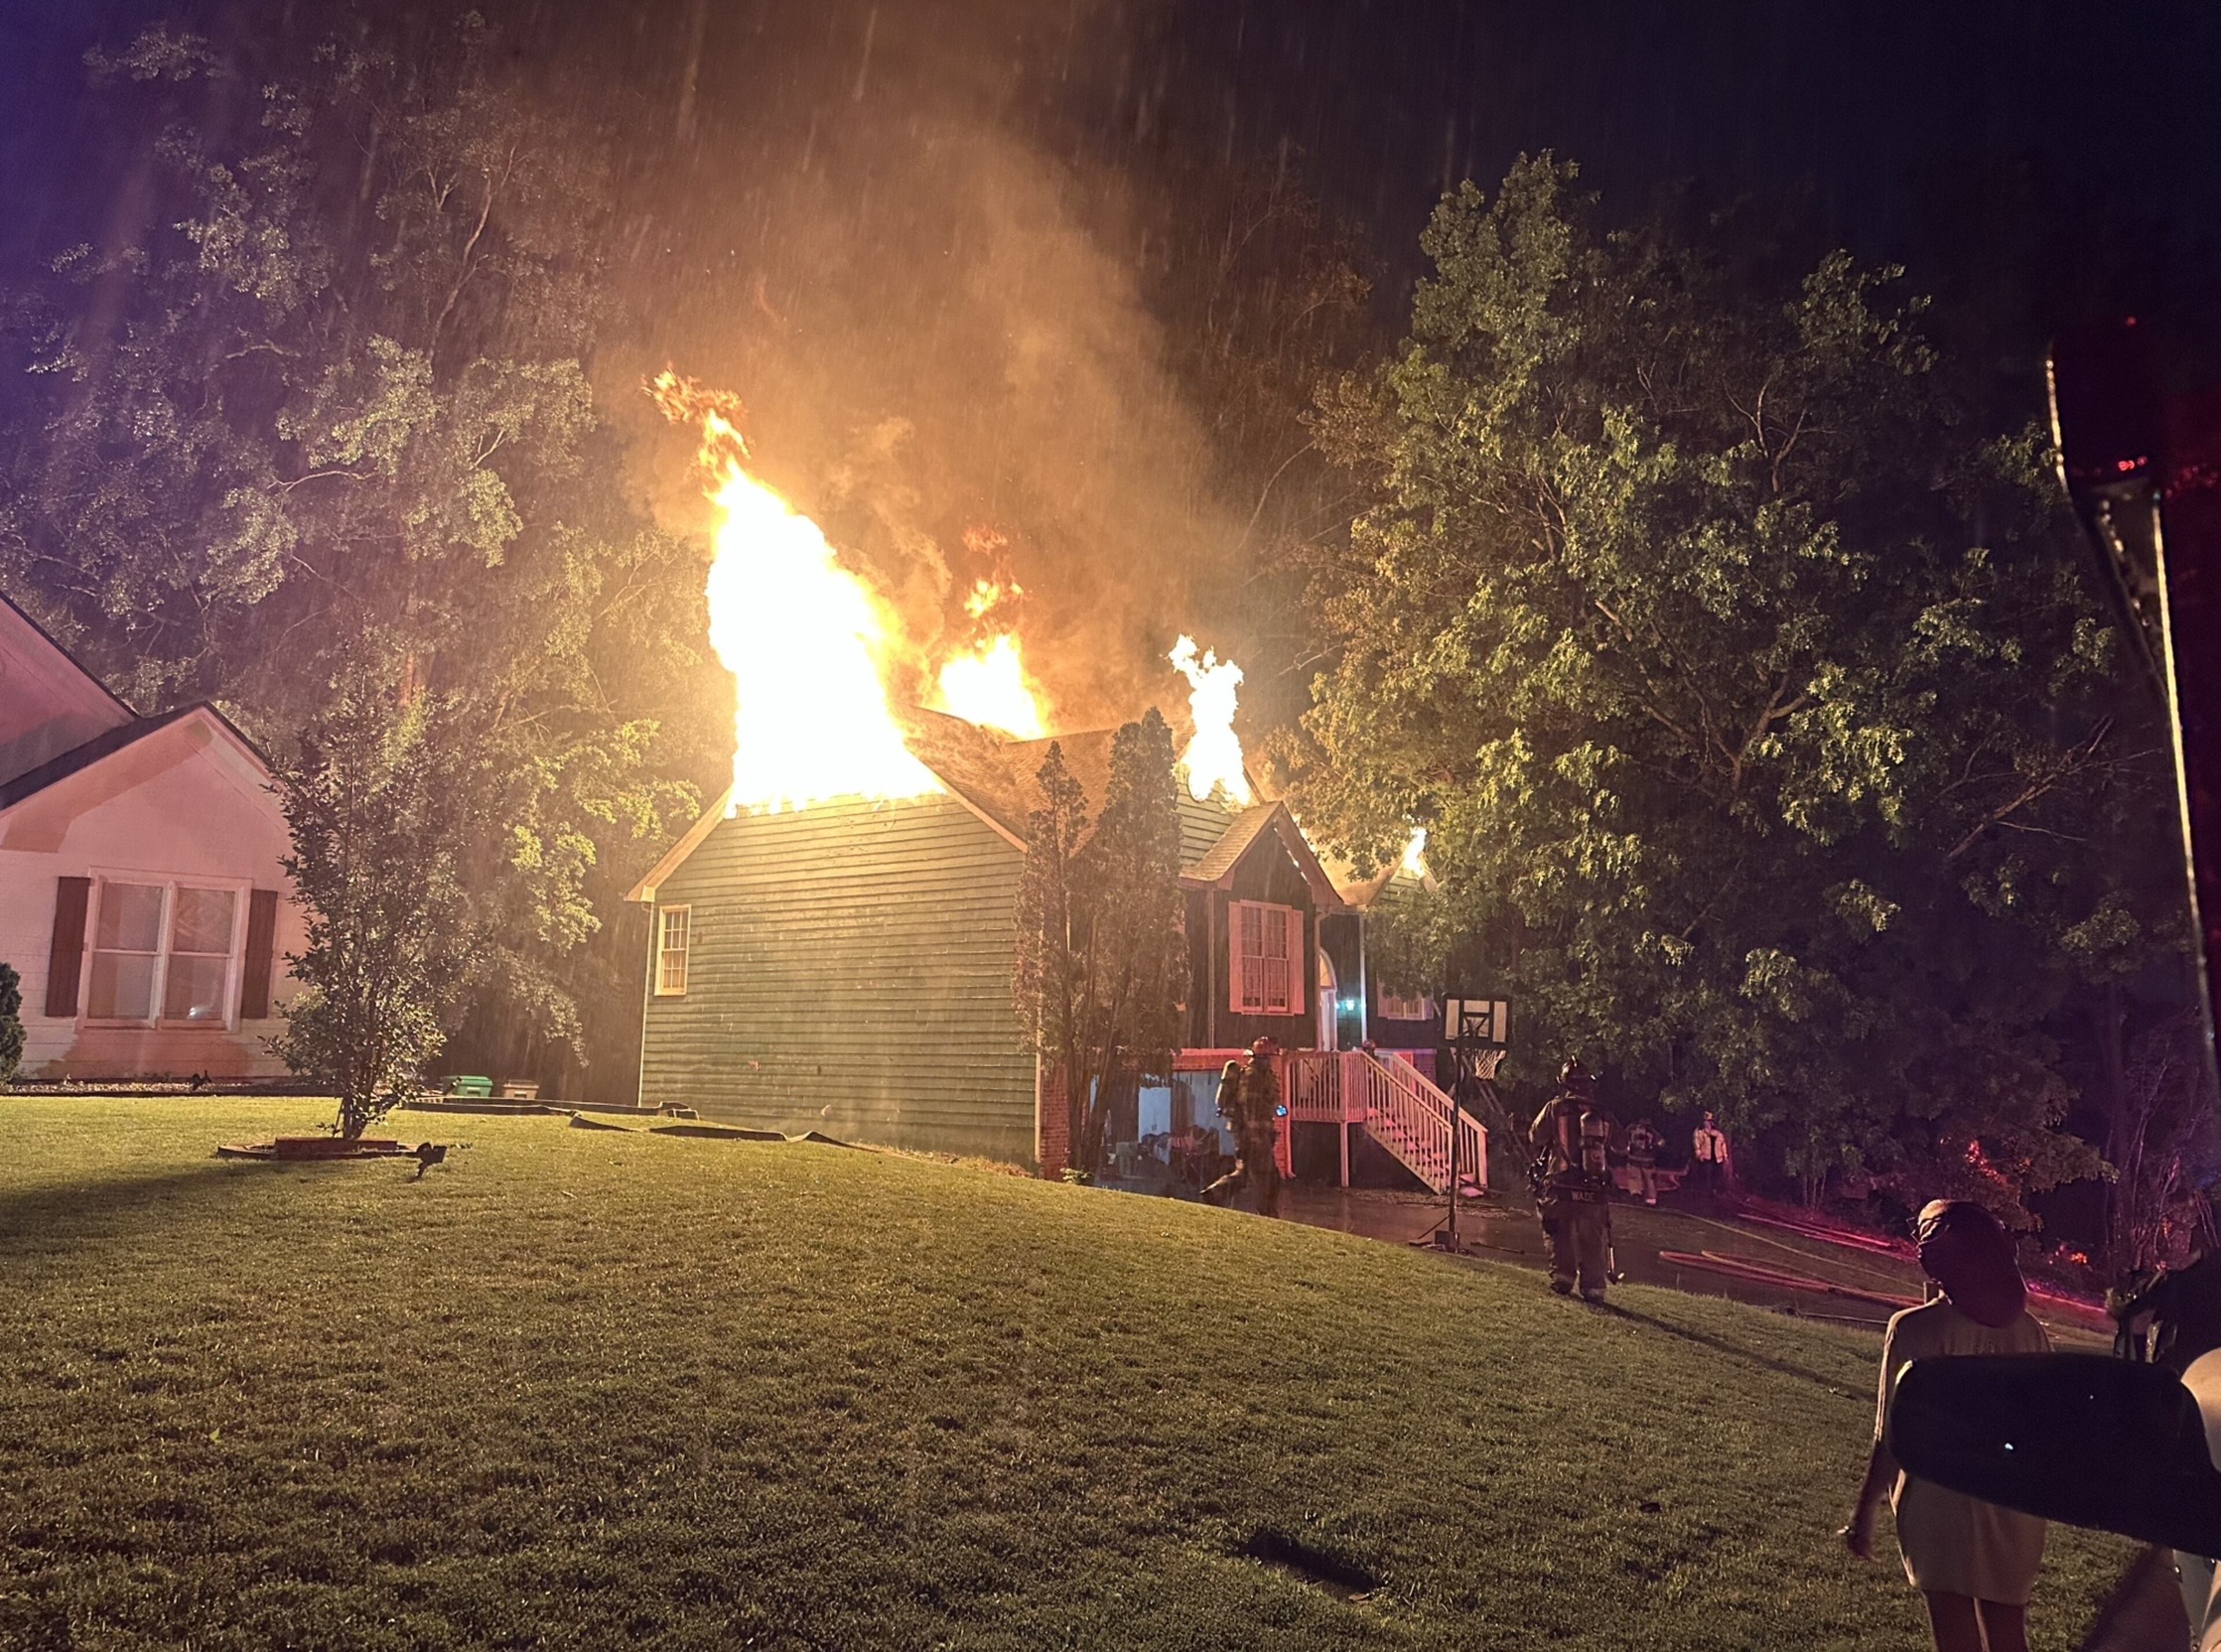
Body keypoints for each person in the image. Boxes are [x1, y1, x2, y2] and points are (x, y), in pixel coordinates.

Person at [1843, 1200, 2050, 1652]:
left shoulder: (1912, 1329)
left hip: (1939, 1504)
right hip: (2014, 1505)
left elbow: (1892, 1431)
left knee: (1954, 1634)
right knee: (2010, 1635)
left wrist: (1864, 1513)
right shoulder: (2031, 1331)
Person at [1528, 1059, 1616, 1302]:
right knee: (1592, 1239)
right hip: (1595, 1186)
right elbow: (1620, 1145)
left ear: (1564, 1083)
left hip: (1561, 1184)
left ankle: (1563, 1279)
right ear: (1589, 1084)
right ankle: (1594, 1289)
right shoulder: (1603, 1112)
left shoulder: (1555, 1107)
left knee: (1557, 1231)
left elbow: (1536, 1136)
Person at [1204, 1041, 1282, 1217]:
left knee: (1245, 1174)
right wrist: (1257, 1139)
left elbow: (1270, 1106)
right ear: (1264, 1057)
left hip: (1252, 1135)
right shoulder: (1254, 1077)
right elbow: (1251, 1110)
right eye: (1271, 1057)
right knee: (1266, 1177)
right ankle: (1268, 1213)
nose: (1273, 1061)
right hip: (1254, 1136)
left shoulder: (1261, 1076)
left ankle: (1215, 1193)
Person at [1624, 1117, 1663, 1205]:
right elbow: (1661, 1143)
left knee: (1634, 1178)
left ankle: (1636, 1193)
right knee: (1649, 1180)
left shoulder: (1631, 1129)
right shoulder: (1652, 1131)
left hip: (1633, 1159)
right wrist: (1654, 1148)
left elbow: (1623, 1140)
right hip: (1648, 1161)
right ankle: (1651, 1200)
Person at [1690, 1111, 1729, 1195]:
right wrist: (1699, 1154)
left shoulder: (1718, 1134)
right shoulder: (1701, 1133)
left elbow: (1723, 1144)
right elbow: (1697, 1144)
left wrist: (1725, 1156)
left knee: (1717, 1174)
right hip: (1706, 1157)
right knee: (1707, 1174)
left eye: (1709, 1121)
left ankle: (1715, 1190)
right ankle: (1707, 1191)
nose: (1707, 1123)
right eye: (1706, 1121)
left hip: (1718, 1158)